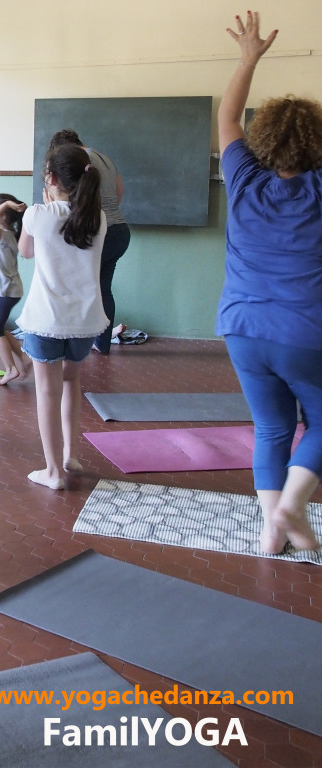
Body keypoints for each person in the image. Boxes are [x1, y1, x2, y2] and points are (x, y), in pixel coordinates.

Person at [216, 11, 322, 554]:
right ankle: (292, 504)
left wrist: (247, 60)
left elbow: (228, 116)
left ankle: (270, 531)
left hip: (242, 329)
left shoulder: (244, 181)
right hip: (306, 332)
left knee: (272, 428)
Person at [17, 144, 108, 491]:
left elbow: (26, 251)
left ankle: (52, 471)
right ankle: (70, 455)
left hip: (47, 319)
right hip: (85, 321)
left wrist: (47, 204)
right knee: (71, 382)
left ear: (51, 179)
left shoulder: (38, 214)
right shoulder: (97, 217)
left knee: (46, 391)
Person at [47, 129, 130, 354]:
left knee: (80, 288)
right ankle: (101, 344)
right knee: (104, 290)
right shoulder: (105, 158)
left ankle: (75, 342)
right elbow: (119, 192)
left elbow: (74, 199)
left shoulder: (80, 162)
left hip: (98, 233)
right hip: (120, 230)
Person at [0, 169, 30, 385]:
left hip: (5, 291)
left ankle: (10, 369)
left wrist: (7, 205)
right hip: (8, 289)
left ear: (5, 216)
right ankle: (22, 358)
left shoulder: (2, 234)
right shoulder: (4, 228)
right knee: (0, 327)